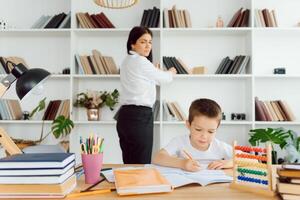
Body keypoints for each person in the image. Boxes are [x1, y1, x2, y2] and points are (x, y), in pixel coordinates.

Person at [116, 26, 177, 164]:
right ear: (132, 43)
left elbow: (152, 79)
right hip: (139, 116)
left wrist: (156, 72)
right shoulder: (141, 61)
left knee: (129, 163)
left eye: (150, 42)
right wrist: (171, 72)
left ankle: (129, 186)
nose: (148, 46)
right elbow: (164, 79)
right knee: (141, 163)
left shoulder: (126, 61)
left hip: (125, 116)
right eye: (143, 41)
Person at [153, 98, 233, 171]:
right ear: (188, 125)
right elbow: (157, 157)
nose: (204, 136)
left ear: (217, 129)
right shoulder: (179, 142)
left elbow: (244, 158)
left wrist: (228, 163)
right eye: (198, 129)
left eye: (210, 131)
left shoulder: (220, 146)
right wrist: (183, 163)